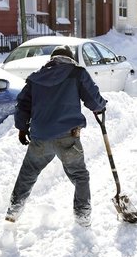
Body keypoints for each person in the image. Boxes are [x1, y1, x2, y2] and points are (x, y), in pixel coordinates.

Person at [6, 45, 107, 228]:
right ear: (71, 58)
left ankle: (13, 211)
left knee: (28, 174)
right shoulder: (77, 73)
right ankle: (83, 217)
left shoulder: (37, 77)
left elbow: (22, 105)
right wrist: (100, 106)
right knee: (79, 175)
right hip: (67, 137)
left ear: (52, 59)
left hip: (40, 137)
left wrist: (22, 128)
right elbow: (93, 99)